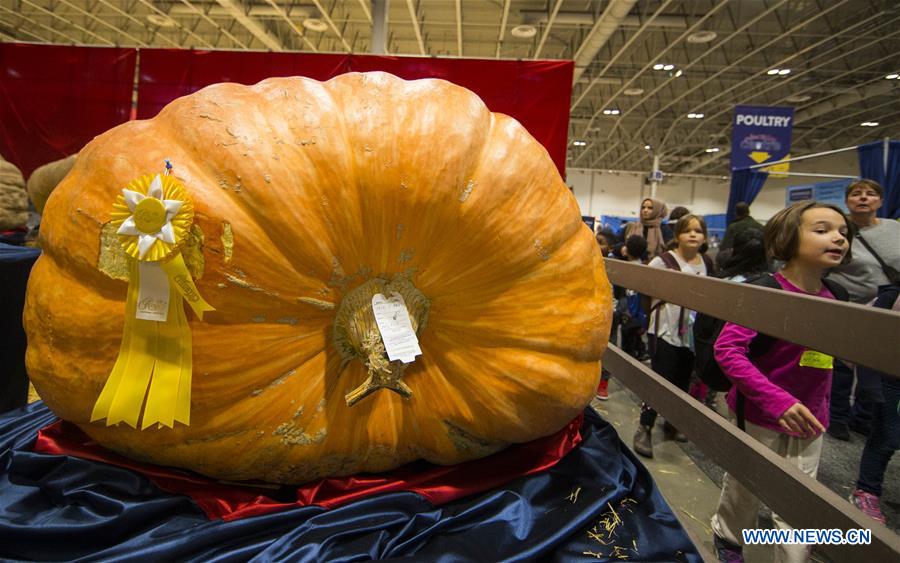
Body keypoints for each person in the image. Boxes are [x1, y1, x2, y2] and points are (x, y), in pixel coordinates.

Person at [711, 201, 852, 563]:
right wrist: (777, 400)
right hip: (759, 413)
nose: (837, 238)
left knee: (800, 499)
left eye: (843, 233)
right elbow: (728, 350)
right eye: (822, 230)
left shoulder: (838, 296)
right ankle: (728, 538)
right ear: (789, 236)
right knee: (746, 487)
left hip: (811, 417)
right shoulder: (768, 291)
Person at [633, 214, 713, 458]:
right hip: (664, 330)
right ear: (677, 235)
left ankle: (672, 422)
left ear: (704, 237)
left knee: (682, 380)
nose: (692, 235)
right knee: (660, 379)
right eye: (687, 231)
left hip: (691, 334)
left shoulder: (707, 262)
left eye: (698, 231)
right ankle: (644, 426)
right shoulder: (663, 260)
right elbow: (644, 290)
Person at [826, 179, 900, 440]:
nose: (863, 198)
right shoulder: (840, 229)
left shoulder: (894, 228)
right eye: (856, 194)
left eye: (870, 194)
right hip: (849, 306)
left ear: (880, 201)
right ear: (847, 201)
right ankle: (837, 417)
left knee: (877, 365)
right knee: (841, 366)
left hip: (889, 309)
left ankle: (863, 417)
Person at [848, 284, 900, 524]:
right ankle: (867, 490)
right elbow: (870, 339)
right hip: (892, 379)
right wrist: (870, 383)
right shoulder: (891, 297)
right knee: (885, 437)